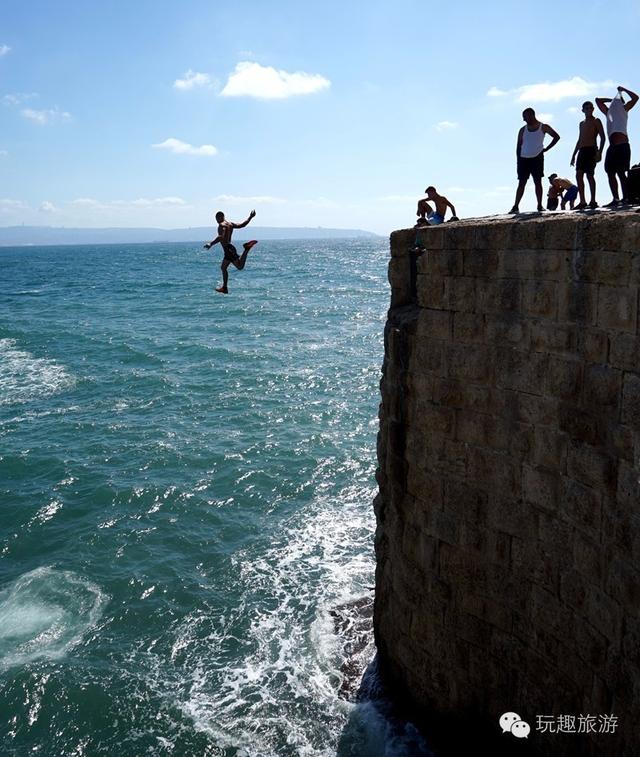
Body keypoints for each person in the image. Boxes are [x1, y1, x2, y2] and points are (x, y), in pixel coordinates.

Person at [509, 108, 560, 214]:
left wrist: (546, 149)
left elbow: (556, 137)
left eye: (525, 116)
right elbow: (518, 146)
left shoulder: (543, 127)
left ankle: (539, 205)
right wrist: (518, 159)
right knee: (521, 183)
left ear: (531, 115)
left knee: (538, 182)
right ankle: (515, 206)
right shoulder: (522, 130)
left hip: (537, 157)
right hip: (523, 159)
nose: (524, 119)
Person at [596, 85, 638, 206]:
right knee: (610, 172)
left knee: (621, 172)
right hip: (612, 147)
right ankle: (616, 199)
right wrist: (612, 100)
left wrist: (624, 90)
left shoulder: (625, 109)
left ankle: (627, 197)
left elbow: (635, 98)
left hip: (622, 146)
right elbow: (597, 100)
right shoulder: (608, 112)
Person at [203, 209, 258, 294]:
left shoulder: (221, 225)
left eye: (216, 218)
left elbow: (221, 236)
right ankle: (224, 288)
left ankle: (246, 249)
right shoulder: (230, 224)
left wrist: (211, 244)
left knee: (239, 267)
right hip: (229, 249)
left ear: (220, 217)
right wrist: (250, 217)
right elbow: (242, 225)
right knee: (223, 268)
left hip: (228, 249)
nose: (216, 220)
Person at [570, 101, 605, 209]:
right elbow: (579, 140)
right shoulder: (582, 123)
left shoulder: (596, 121)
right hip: (582, 151)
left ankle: (593, 200)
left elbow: (603, 137)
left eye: (591, 108)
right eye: (587, 108)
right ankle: (582, 201)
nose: (589, 110)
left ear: (593, 109)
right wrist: (573, 155)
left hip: (591, 150)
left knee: (590, 175)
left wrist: (600, 152)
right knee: (579, 175)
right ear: (583, 110)